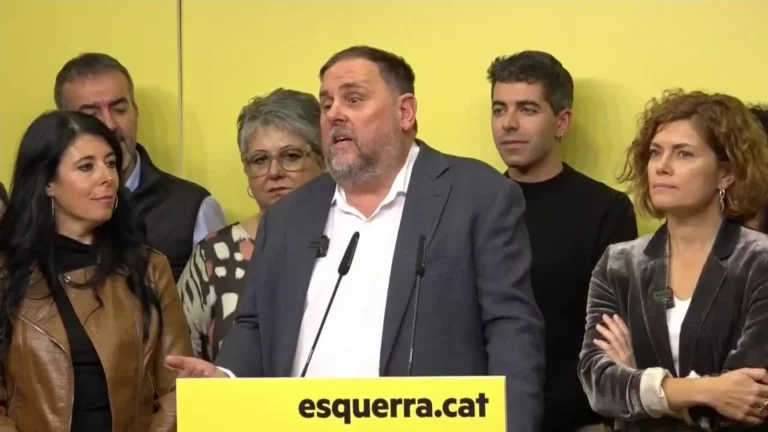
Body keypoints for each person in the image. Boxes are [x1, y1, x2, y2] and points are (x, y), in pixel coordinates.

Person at [166, 45, 546, 431]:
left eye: (353, 99)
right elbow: (256, 326)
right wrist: (227, 381)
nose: (334, 114)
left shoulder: (476, 195)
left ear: (405, 112)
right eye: (327, 103)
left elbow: (511, 328)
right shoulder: (288, 216)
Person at [578, 90, 768, 431]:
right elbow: (599, 386)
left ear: (726, 173)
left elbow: (750, 401)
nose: (662, 167)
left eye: (684, 154)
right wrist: (706, 390)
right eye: (655, 153)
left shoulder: (759, 261)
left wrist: (638, 385)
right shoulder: (620, 264)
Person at [0, 111, 193, 431]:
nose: (107, 177)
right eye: (86, 166)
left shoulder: (149, 269)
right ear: (47, 183)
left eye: (111, 163)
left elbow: (179, 386)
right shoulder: (8, 276)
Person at [487, 50, 638, 431]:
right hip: (481, 413)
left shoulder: (606, 210)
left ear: (562, 122)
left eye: (527, 109)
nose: (509, 123)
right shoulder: (470, 204)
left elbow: (611, 334)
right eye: (499, 109)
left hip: (573, 419)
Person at [177, 88, 325, 360]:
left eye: (290, 156)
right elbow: (182, 363)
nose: (274, 172)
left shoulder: (353, 240)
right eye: (259, 160)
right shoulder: (213, 256)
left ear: (323, 160)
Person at [54, 53, 227, 280]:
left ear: (135, 112)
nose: (110, 124)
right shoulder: (42, 211)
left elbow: (222, 306)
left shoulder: (194, 208)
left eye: (119, 108)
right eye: (91, 114)